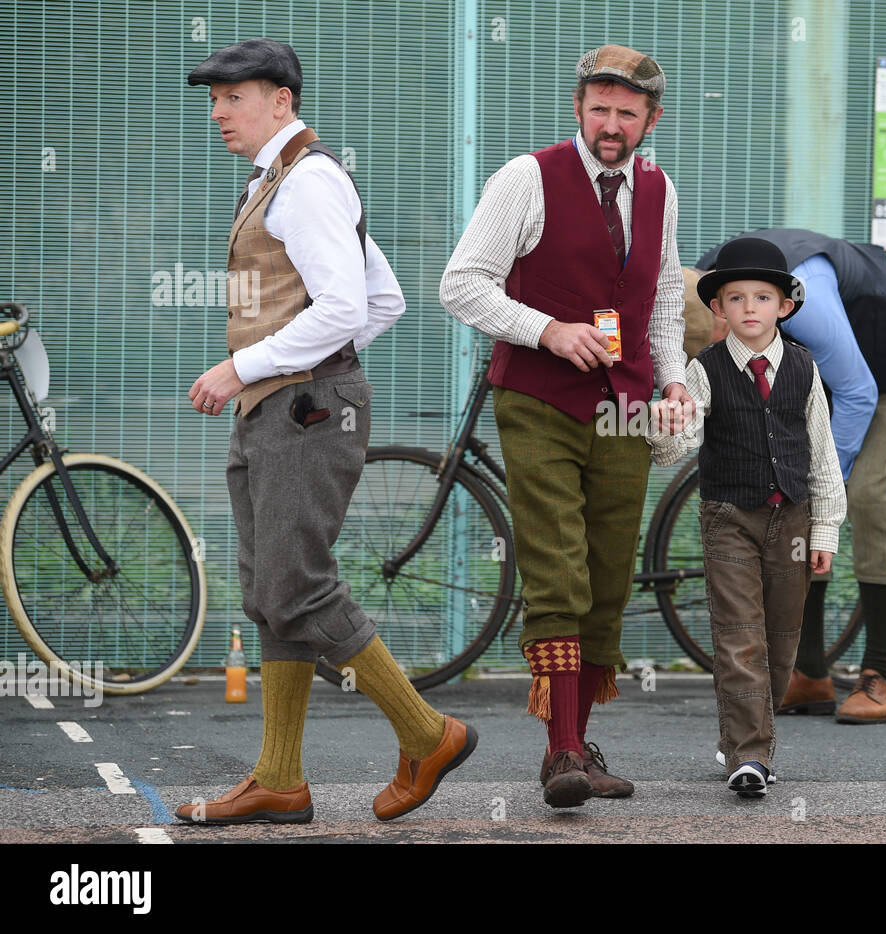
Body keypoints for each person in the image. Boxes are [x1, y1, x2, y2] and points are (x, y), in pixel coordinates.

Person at [176, 39, 476, 825]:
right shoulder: (287, 178)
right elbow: (384, 300)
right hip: (287, 405)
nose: (218, 113)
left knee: (295, 585)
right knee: (273, 593)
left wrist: (253, 369)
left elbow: (346, 309)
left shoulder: (306, 182)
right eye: (213, 99)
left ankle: (427, 730)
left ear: (281, 100)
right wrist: (303, 370)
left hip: (300, 409)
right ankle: (279, 779)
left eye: (231, 98)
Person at [440, 44, 692, 808]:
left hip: (624, 407)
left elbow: (666, 301)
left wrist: (674, 375)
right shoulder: (528, 177)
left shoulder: (658, 189)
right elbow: (461, 284)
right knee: (559, 569)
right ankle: (559, 757)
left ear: (651, 119)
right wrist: (549, 330)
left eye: (626, 112)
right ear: (578, 107)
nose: (610, 124)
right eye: (599, 108)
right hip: (540, 398)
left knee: (609, 575)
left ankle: (581, 741)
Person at [698, 230, 886, 723]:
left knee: (868, 495)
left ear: (780, 304)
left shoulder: (801, 299)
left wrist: (822, 486)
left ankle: (879, 675)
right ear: (717, 306)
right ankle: (808, 674)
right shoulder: (714, 288)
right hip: (821, 364)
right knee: (795, 507)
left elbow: (857, 391)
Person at [647, 237, 846, 797]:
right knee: (739, 639)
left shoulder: (806, 370)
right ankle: (749, 755)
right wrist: (664, 423)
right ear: (718, 309)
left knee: (781, 642)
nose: (750, 308)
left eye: (763, 297)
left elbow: (824, 456)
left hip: (795, 521)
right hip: (728, 515)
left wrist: (825, 528)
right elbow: (675, 447)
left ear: (785, 305)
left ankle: (746, 735)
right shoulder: (703, 370)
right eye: (736, 298)